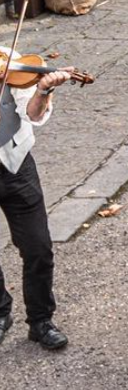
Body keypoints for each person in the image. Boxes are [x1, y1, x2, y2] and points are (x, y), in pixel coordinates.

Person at [0, 61, 74, 351]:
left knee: (38, 248)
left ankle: (41, 321)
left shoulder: (10, 61)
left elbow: (32, 114)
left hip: (16, 165)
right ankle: (1, 312)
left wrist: (43, 90)